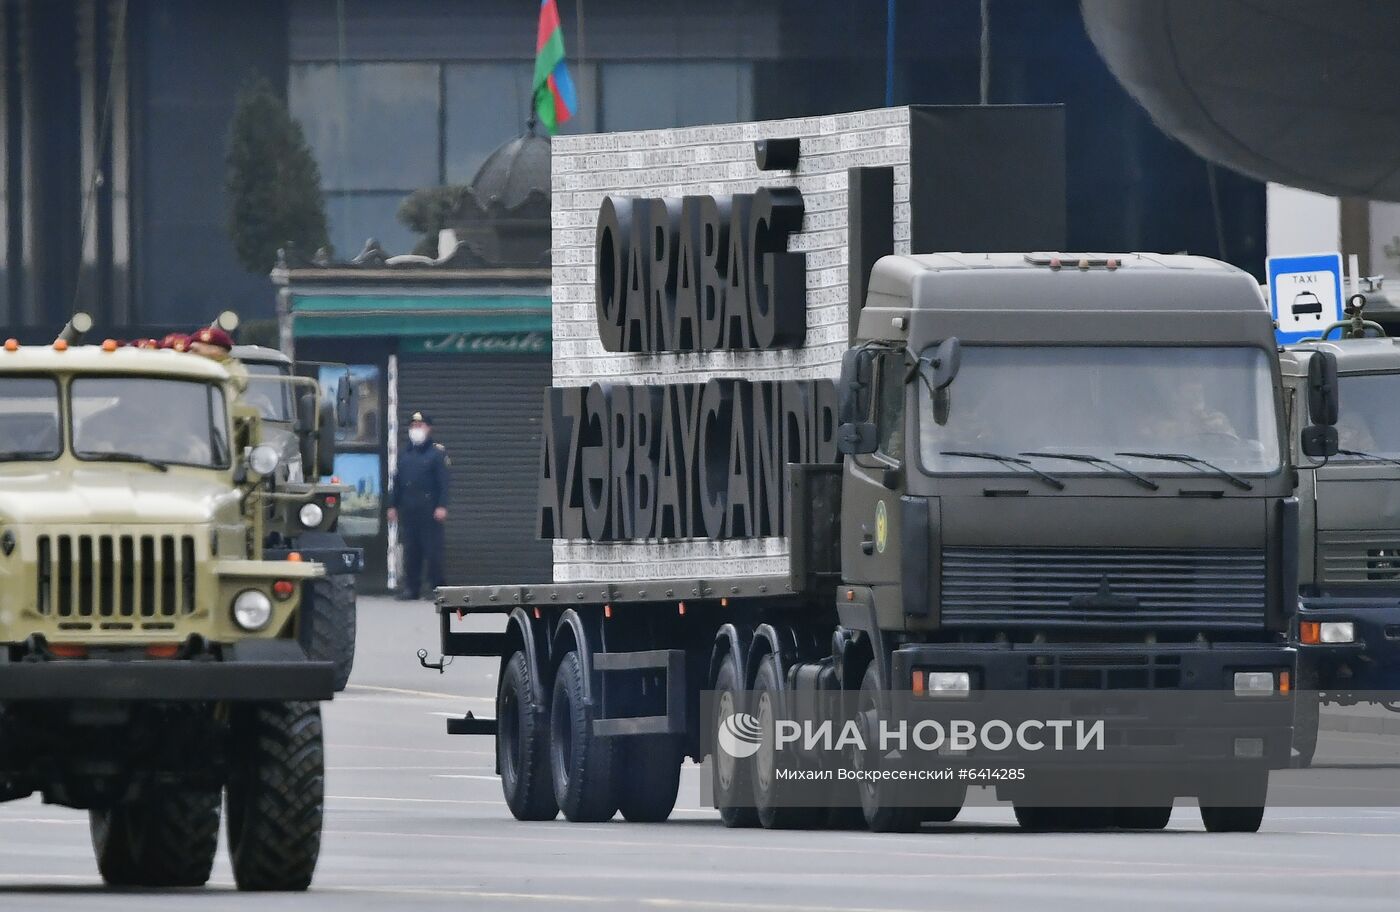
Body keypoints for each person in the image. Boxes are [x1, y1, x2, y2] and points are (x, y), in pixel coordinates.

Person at [388, 411, 450, 601]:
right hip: (409, 510)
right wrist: (392, 505)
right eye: (413, 427)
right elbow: (397, 482)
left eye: (420, 426)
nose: (416, 430)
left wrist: (442, 506)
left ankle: (437, 588)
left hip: (430, 511)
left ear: (429, 429)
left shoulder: (437, 454)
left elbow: (444, 483)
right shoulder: (405, 454)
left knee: (433, 552)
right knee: (411, 552)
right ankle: (411, 588)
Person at [187, 326, 248, 393]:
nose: (190, 354)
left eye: (195, 350)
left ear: (217, 352)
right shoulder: (189, 369)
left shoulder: (232, 374)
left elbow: (224, 398)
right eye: (190, 350)